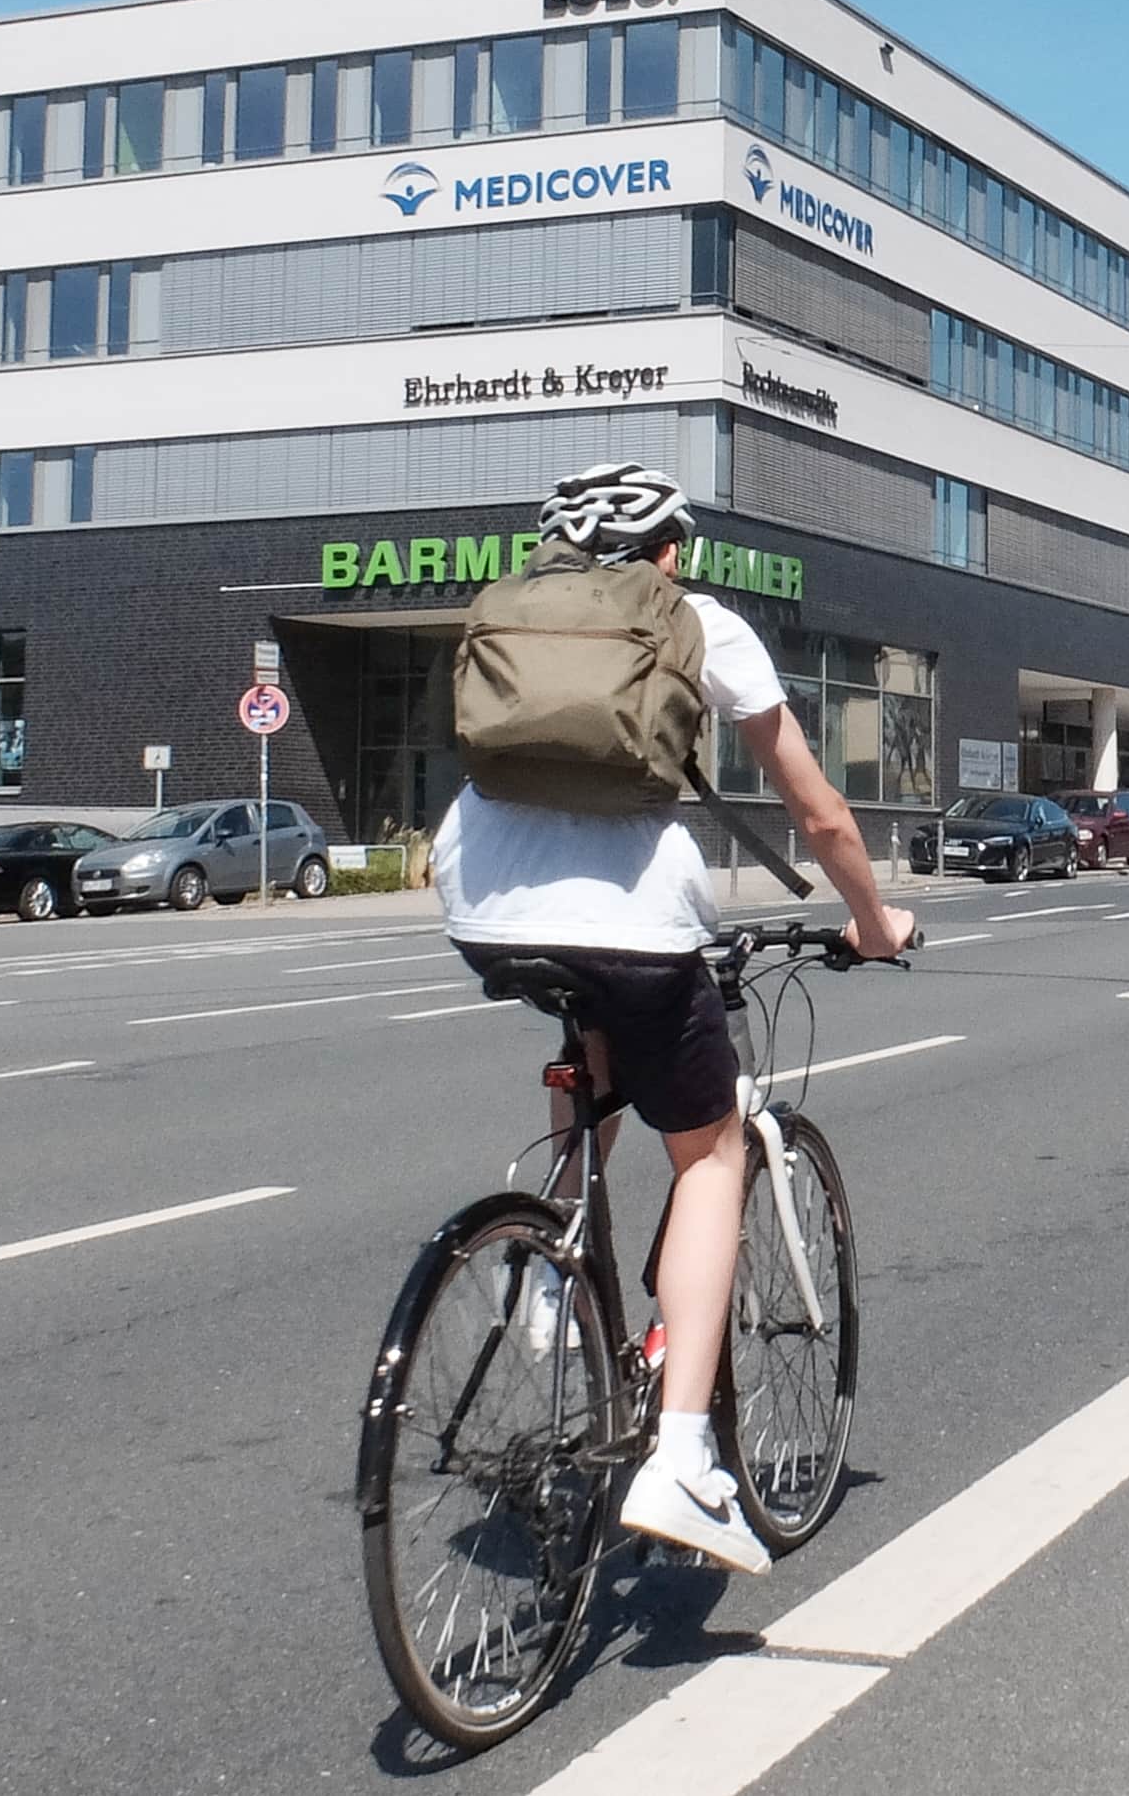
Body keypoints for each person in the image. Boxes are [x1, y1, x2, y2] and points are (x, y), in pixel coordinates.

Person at [430, 461, 915, 1575]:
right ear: (670, 551)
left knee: (593, 1056)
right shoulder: (698, 622)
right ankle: (687, 1456)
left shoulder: (505, 610)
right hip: (635, 924)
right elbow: (817, 805)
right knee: (708, 1155)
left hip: (485, 909)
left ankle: (548, 1271)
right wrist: (872, 919)